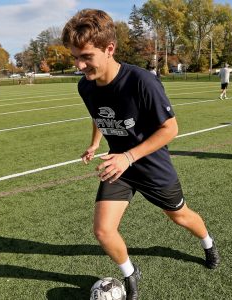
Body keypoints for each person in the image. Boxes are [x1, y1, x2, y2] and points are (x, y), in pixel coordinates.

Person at [62, 9, 219, 300]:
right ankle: (130, 273)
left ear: (109, 49)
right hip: (118, 165)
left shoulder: (141, 81)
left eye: (85, 57)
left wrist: (129, 156)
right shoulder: (85, 86)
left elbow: (170, 129)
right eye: (75, 57)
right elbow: (98, 115)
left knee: (180, 216)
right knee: (103, 230)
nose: (79, 65)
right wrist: (95, 144)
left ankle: (208, 243)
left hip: (151, 165)